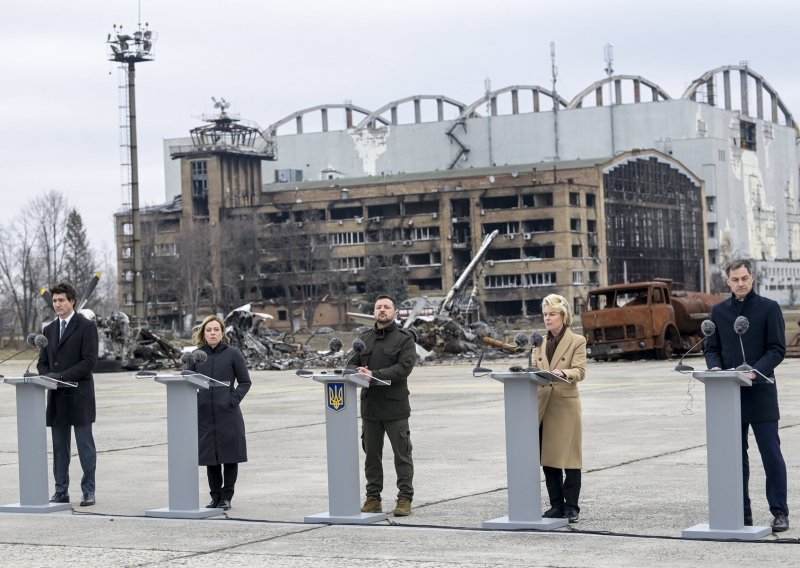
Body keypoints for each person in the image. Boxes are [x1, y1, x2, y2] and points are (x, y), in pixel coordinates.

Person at [704, 258, 788, 532]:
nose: (740, 283)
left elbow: (776, 349)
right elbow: (711, 347)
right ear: (727, 281)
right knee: (735, 458)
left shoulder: (769, 308)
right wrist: (715, 367)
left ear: (752, 278)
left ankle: (779, 512)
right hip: (729, 395)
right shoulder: (718, 312)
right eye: (735, 279)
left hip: (760, 391)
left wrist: (754, 371)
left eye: (744, 278)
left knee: (771, 455)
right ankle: (742, 513)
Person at [352, 295, 417, 517]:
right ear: (374, 312)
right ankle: (373, 498)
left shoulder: (404, 339)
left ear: (395, 312)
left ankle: (405, 498)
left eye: (386, 307)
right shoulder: (364, 339)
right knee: (371, 456)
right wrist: (356, 371)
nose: (382, 310)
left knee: (402, 455)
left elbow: (404, 368)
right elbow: (352, 362)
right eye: (378, 307)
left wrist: (374, 374)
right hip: (370, 408)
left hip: (395, 408)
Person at [37, 282, 99, 507]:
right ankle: (61, 490)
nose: (57, 304)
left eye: (61, 300)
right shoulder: (48, 330)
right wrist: (48, 376)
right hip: (56, 397)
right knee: (60, 448)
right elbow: (42, 363)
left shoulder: (86, 326)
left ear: (72, 301)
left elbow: (89, 362)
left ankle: (88, 491)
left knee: (85, 447)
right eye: (54, 301)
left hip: (79, 395)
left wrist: (60, 376)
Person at [187, 315, 251, 511]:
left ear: (222, 333)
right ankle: (215, 497)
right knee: (211, 459)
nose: (212, 333)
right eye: (209, 330)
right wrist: (197, 402)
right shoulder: (196, 356)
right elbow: (187, 381)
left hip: (228, 414)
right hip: (205, 415)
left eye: (216, 329)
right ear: (203, 334)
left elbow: (245, 382)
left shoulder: (233, 354)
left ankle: (227, 497)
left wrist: (232, 399)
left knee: (229, 457)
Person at [533, 293, 586, 523]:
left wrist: (564, 372)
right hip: (544, 405)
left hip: (565, 406)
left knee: (570, 458)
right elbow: (534, 369)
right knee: (549, 459)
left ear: (563, 316)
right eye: (545, 314)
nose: (547, 318)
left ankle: (572, 506)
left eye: (552, 314)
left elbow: (580, 371)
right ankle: (556, 506)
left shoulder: (577, 341)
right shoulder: (540, 343)